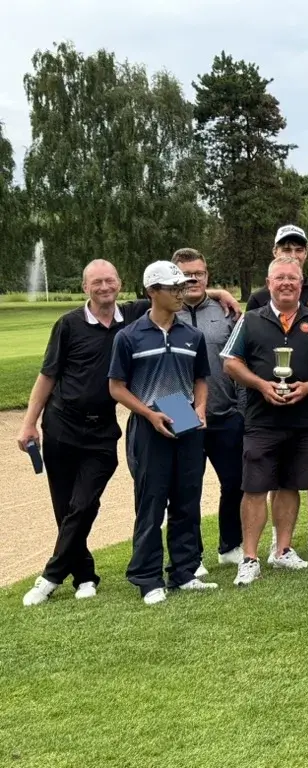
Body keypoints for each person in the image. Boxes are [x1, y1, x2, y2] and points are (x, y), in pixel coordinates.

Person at [17, 261, 148, 606]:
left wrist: (219, 292)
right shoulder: (69, 325)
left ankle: (50, 576)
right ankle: (84, 576)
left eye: (109, 281)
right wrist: (29, 422)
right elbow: (47, 376)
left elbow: (173, 293)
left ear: (120, 283)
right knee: (65, 507)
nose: (104, 287)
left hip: (103, 428)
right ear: (85, 287)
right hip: (61, 423)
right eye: (96, 282)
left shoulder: (134, 316)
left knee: (84, 502)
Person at [223, 256, 308, 586]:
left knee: (290, 485)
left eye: (293, 277)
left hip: (303, 418)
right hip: (262, 419)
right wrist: (261, 385)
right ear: (269, 282)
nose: (287, 282)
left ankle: (283, 550)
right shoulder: (251, 319)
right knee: (255, 487)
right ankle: (249, 558)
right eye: (280, 278)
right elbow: (230, 362)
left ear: (301, 284)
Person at [108, 261, 214, 604]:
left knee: (186, 500)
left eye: (181, 288)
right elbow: (117, 387)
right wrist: (149, 415)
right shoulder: (129, 336)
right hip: (148, 418)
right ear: (152, 292)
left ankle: (184, 572)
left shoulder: (192, 335)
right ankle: (147, 578)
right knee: (151, 503)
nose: (179, 294)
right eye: (173, 289)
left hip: (182, 413)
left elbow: (200, 378)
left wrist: (199, 409)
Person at [247, 225, 308, 549]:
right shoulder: (260, 296)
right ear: (274, 253)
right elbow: (250, 348)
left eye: (298, 248)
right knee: (276, 465)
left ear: (306, 252)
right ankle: (277, 540)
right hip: (275, 395)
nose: (292, 252)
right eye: (285, 246)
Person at [172, 248, 244, 568]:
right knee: (187, 488)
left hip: (225, 412)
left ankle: (230, 545)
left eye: (198, 273)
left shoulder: (226, 312)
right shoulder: (163, 313)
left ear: (207, 275)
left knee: (235, 483)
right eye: (185, 274)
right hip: (181, 410)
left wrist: (242, 409)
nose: (192, 279)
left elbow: (240, 361)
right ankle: (193, 555)